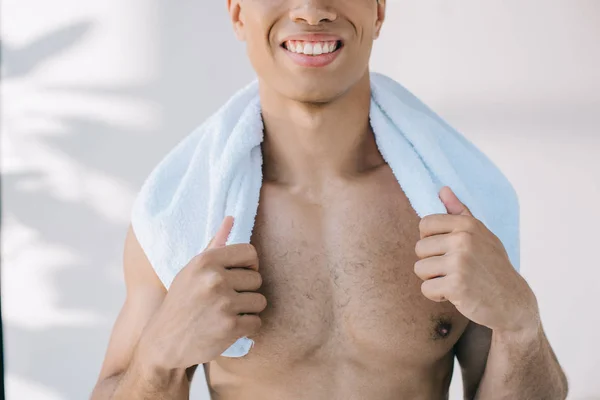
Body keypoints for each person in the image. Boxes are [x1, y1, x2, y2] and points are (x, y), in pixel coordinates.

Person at [92, 1, 568, 399]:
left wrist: (522, 324)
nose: (313, 11)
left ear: (378, 10)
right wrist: (157, 359)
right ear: (238, 13)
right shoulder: (181, 217)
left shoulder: (458, 202)